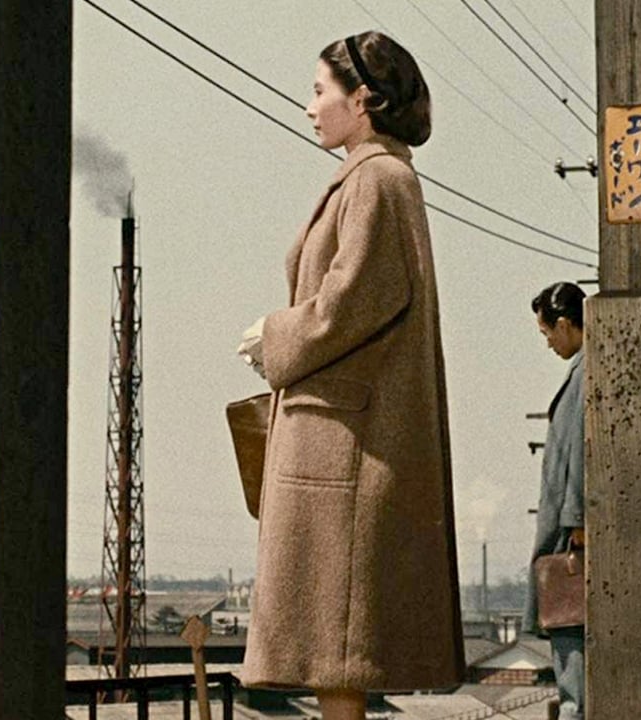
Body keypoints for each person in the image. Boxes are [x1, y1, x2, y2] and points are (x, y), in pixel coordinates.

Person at [237, 31, 463, 720]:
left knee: (336, 649)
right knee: (335, 658)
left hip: (348, 445)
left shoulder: (377, 179)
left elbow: (355, 298)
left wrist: (274, 334)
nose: (309, 107)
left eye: (319, 91)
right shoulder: (377, 177)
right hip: (345, 435)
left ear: (362, 98)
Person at [525, 281, 587, 720]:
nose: (547, 343)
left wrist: (577, 519)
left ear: (564, 324)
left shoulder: (584, 375)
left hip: (570, 536)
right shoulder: (583, 371)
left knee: (570, 641)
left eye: (547, 333)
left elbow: (580, 451)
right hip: (571, 527)